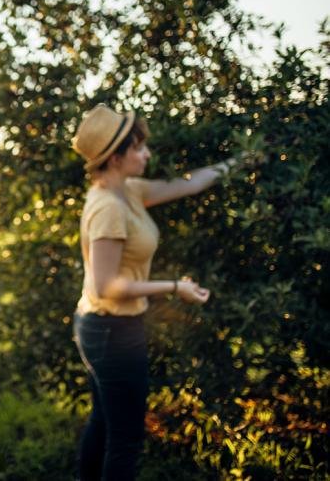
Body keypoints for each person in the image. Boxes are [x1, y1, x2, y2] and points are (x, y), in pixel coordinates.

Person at [70, 104, 236, 480]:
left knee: (104, 421)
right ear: (115, 158)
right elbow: (107, 286)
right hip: (111, 330)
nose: (147, 154)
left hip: (102, 327)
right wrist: (175, 287)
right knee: (125, 440)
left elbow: (187, 183)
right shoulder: (108, 207)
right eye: (139, 148)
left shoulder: (128, 190)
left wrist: (240, 161)